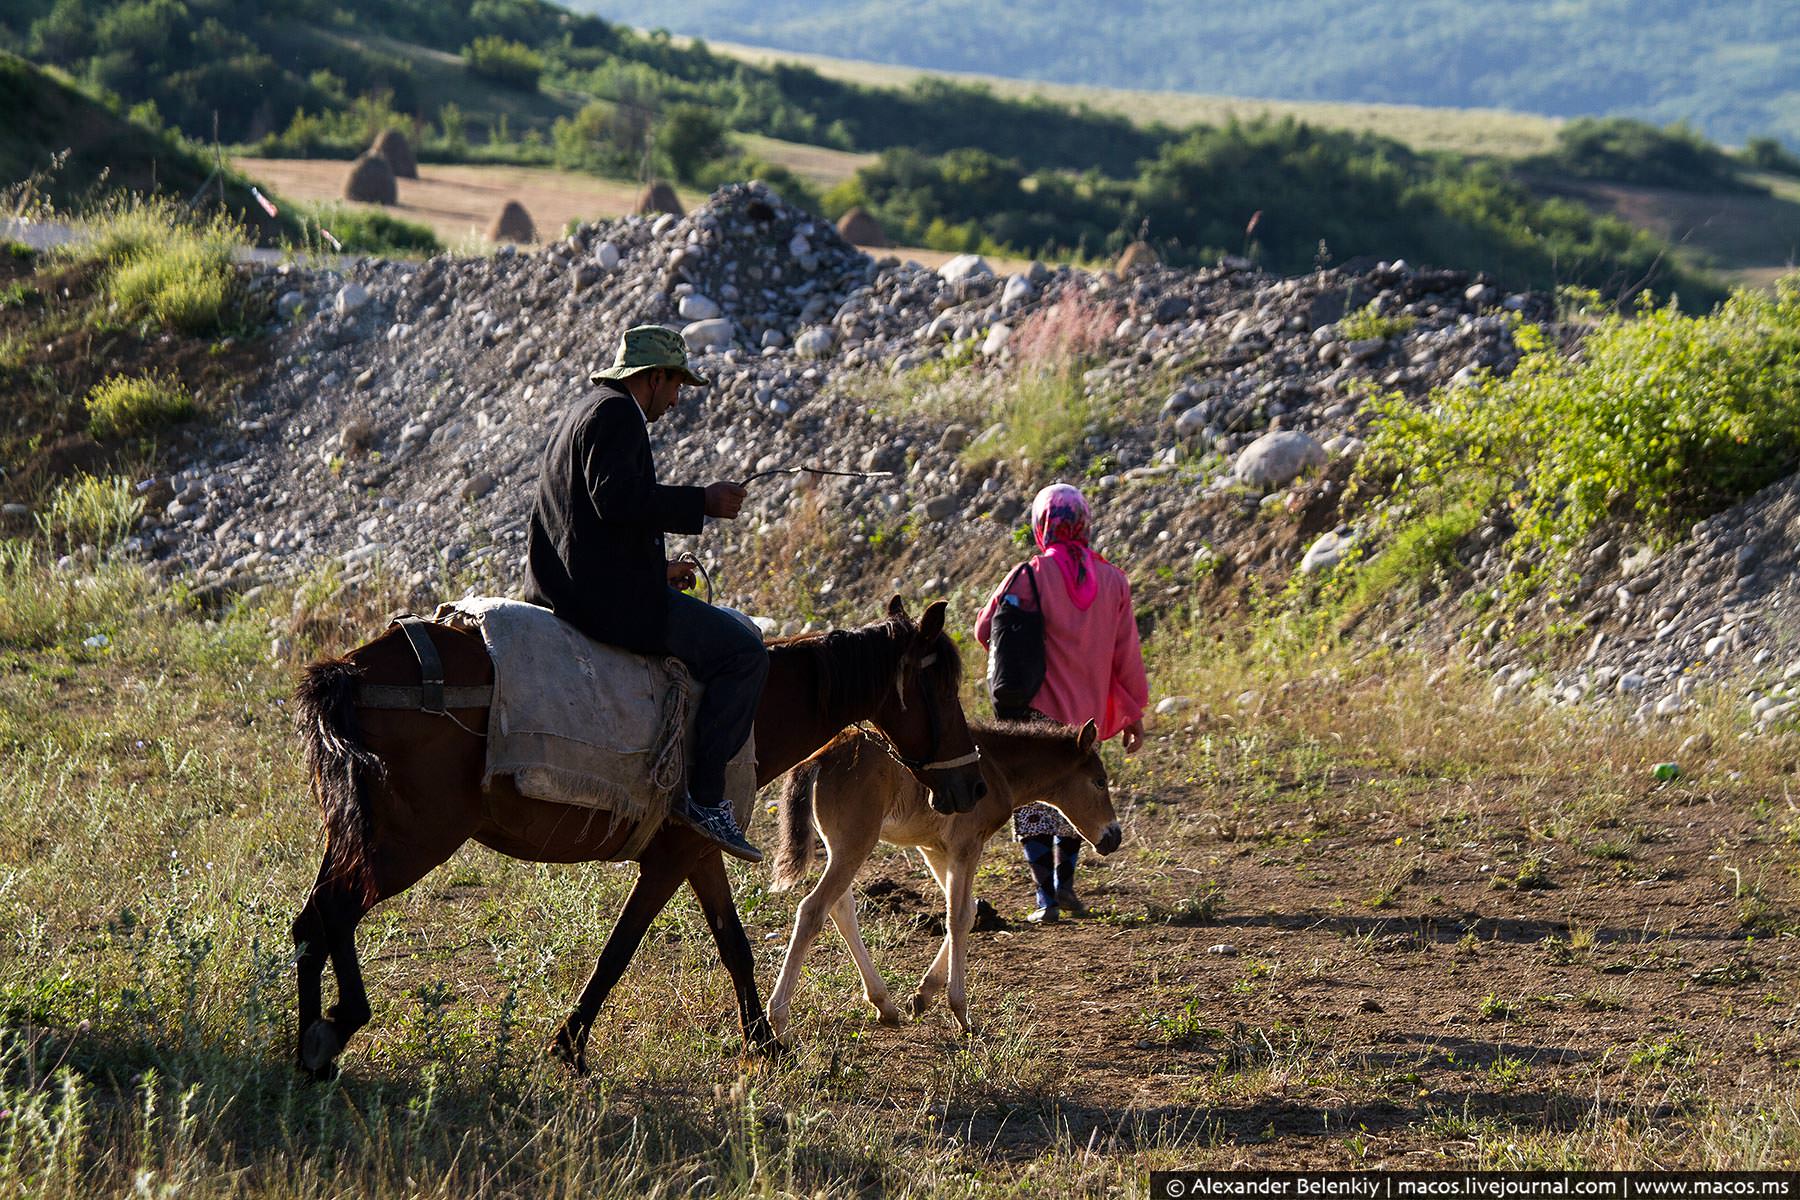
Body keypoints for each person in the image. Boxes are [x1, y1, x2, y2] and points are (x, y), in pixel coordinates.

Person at [524, 324, 767, 863]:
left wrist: (653, 570)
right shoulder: (617, 415)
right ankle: (706, 799)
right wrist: (701, 500)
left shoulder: (588, 408)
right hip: (602, 603)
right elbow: (616, 499)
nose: (678, 399)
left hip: (577, 586)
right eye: (676, 384)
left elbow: (587, 523)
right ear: (653, 378)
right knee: (744, 653)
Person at [975, 483, 1147, 923]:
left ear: (1041, 525)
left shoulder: (1029, 575)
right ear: (1085, 523)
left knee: (1035, 801)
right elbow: (1126, 653)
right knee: (1077, 793)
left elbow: (984, 629)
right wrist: (1133, 714)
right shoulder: (1113, 579)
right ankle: (1066, 885)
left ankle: (1044, 898)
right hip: (1084, 719)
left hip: (1036, 711)